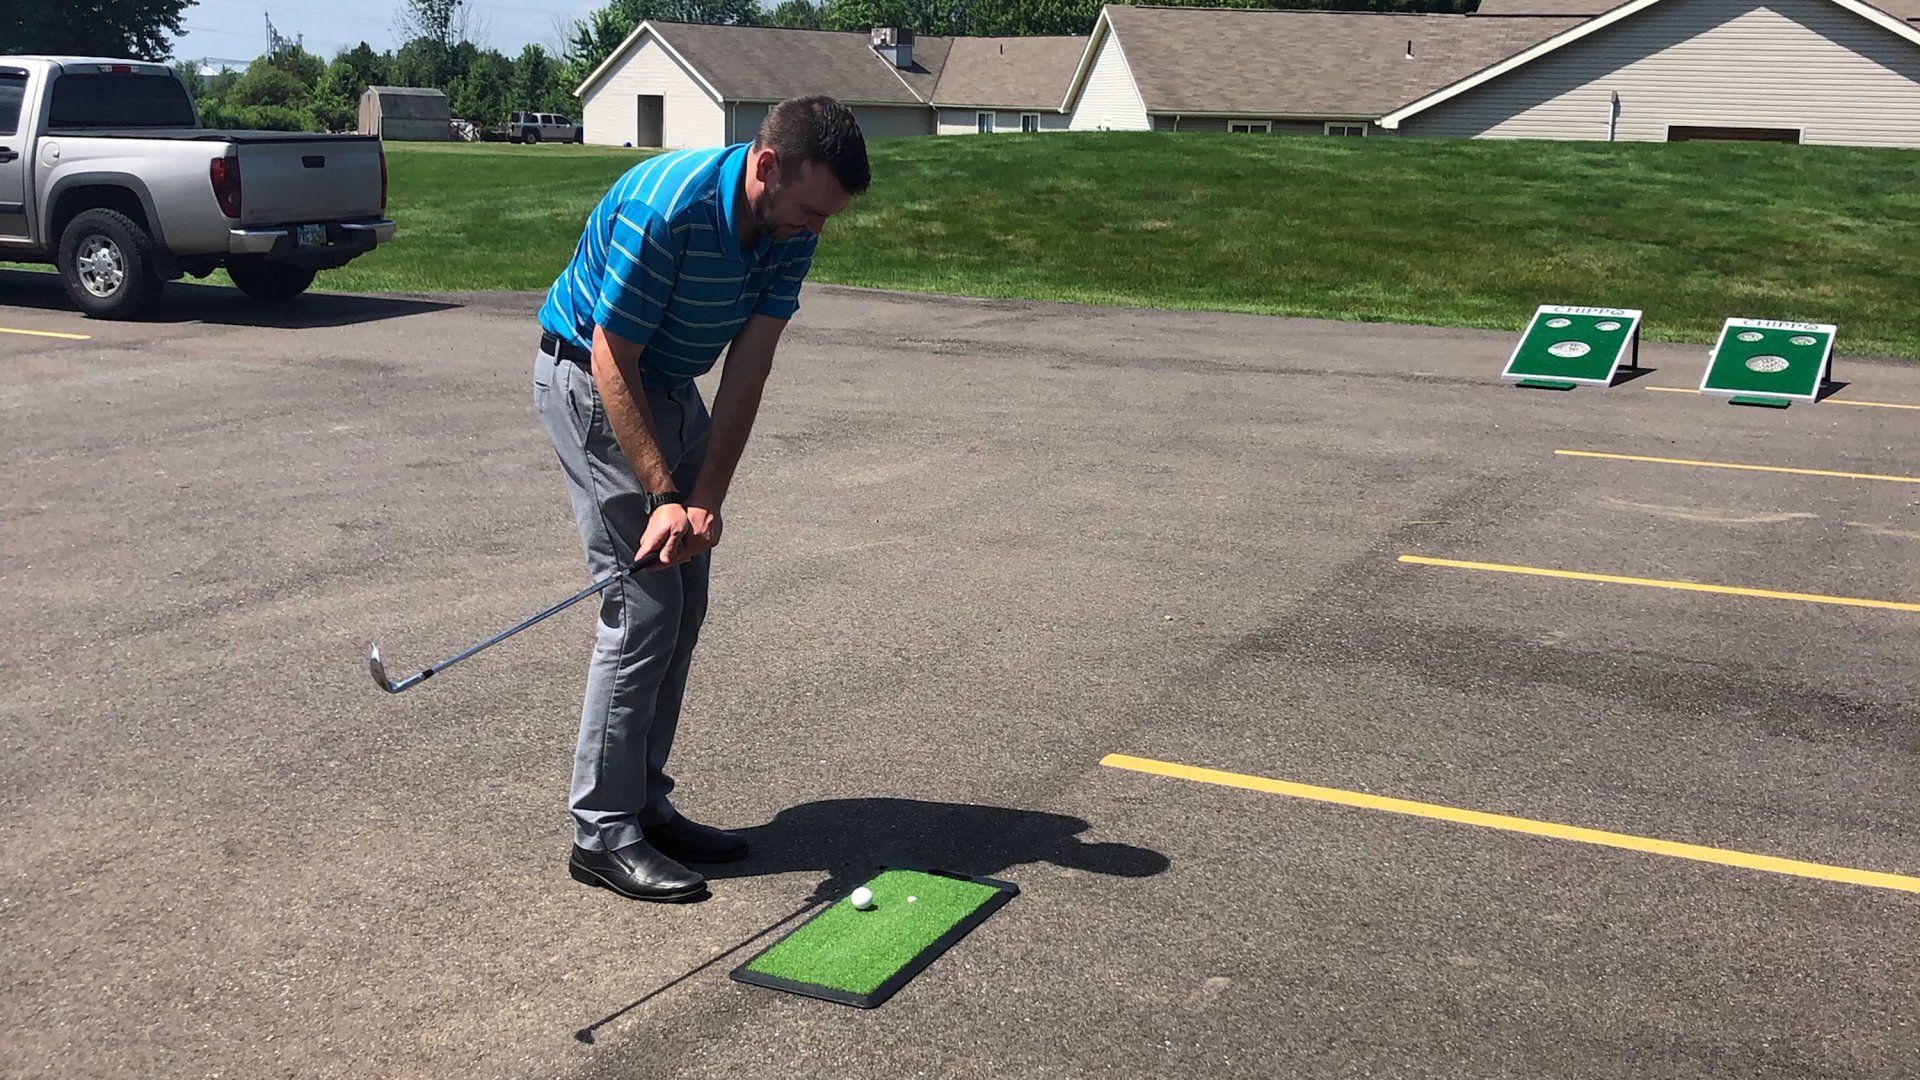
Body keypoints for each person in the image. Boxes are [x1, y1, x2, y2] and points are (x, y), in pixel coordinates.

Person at [533, 97, 869, 902]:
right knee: (642, 609)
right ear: (765, 166)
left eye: (829, 216)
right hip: (591, 380)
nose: (815, 230)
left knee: (685, 603)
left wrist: (706, 498)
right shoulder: (666, 206)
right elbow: (613, 355)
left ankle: (644, 803)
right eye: (810, 209)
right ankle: (601, 832)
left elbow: (749, 368)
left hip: (673, 386)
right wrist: (661, 494)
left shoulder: (790, 230)